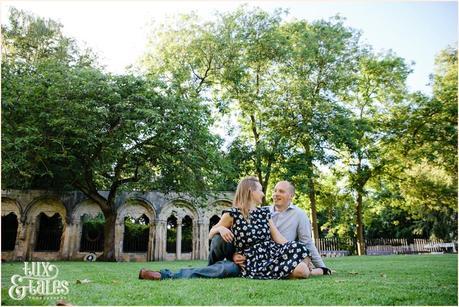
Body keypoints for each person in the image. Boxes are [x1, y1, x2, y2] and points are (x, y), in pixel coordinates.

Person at [139, 177, 330, 280]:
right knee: (220, 270)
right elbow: (211, 233)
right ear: (250, 192)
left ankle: (319, 271)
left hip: (266, 256)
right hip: (244, 260)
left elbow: (279, 239)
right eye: (261, 190)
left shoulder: (264, 214)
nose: (265, 193)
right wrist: (220, 229)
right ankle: (164, 274)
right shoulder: (232, 213)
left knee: (302, 268)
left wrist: (300, 253)